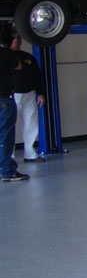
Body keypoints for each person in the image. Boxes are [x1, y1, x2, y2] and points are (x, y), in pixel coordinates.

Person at [8, 28, 45, 162]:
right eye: (15, 39)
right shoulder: (5, 57)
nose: (17, 41)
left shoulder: (29, 58)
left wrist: (40, 93)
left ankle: (30, 153)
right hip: (12, 96)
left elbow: (37, 76)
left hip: (30, 94)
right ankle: (9, 156)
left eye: (19, 39)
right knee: (9, 126)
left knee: (31, 123)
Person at [0, 24, 27, 182]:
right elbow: (18, 65)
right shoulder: (5, 54)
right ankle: (8, 171)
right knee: (6, 135)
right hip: (4, 99)